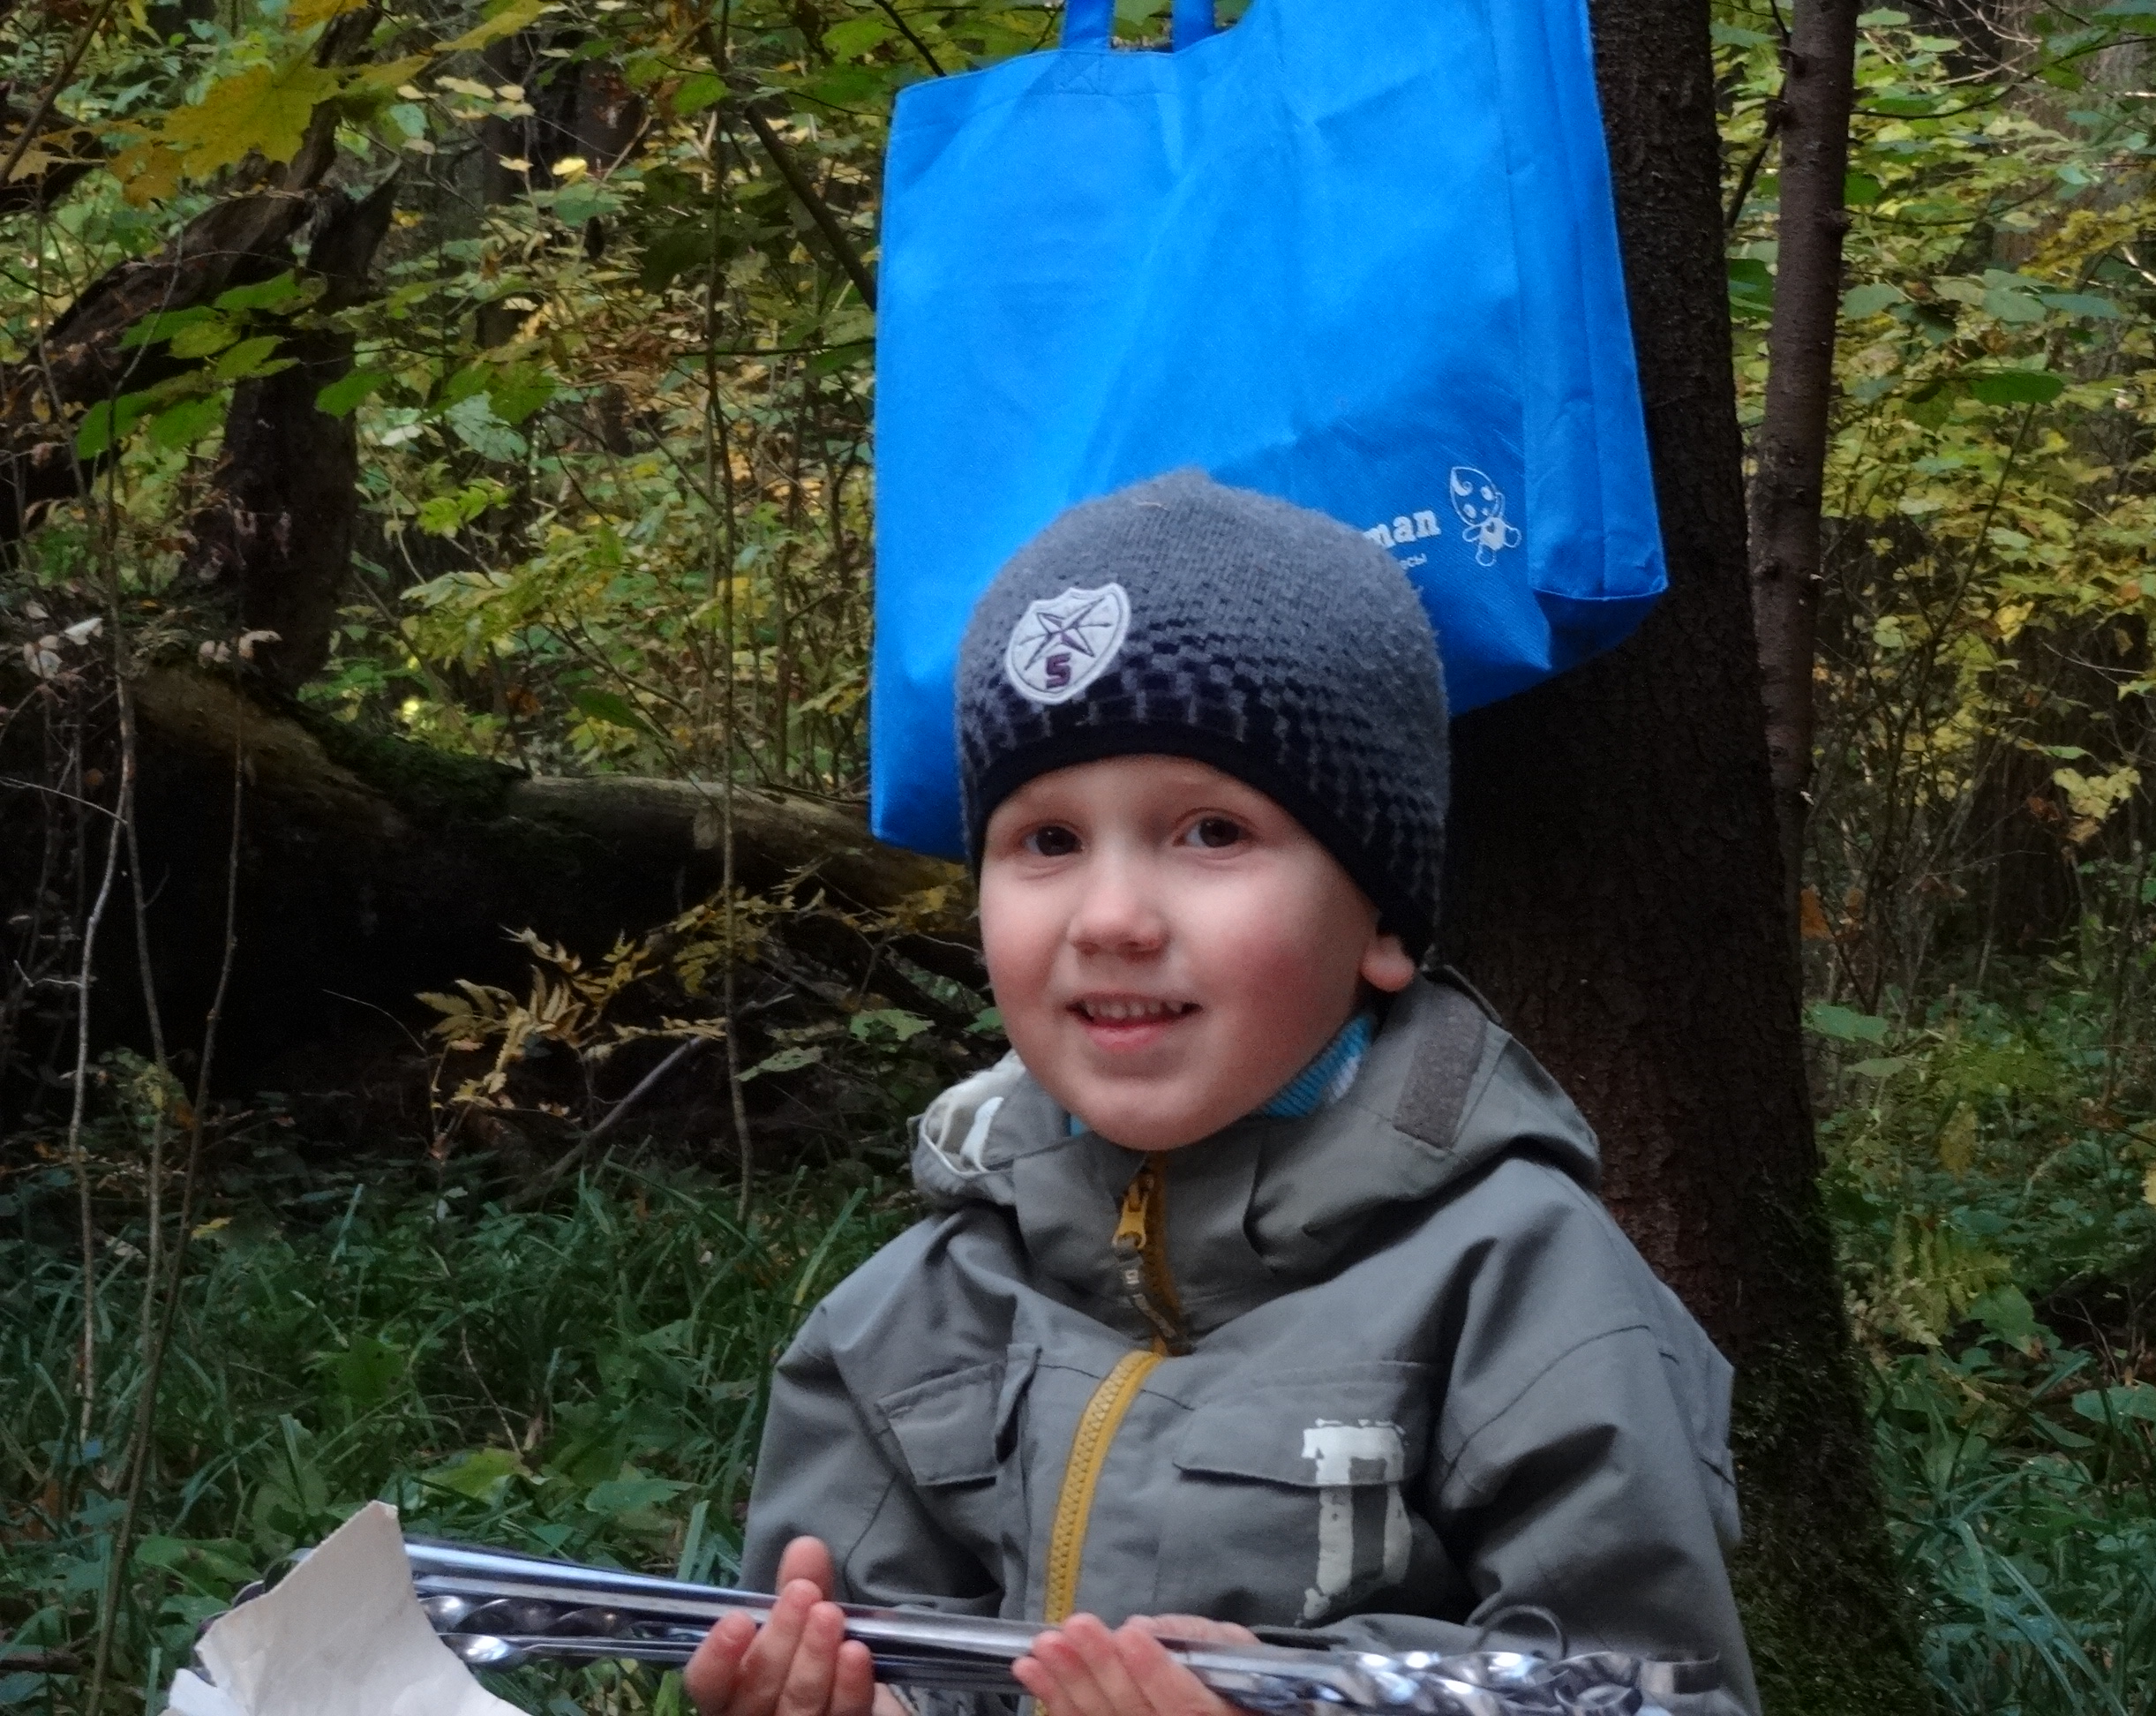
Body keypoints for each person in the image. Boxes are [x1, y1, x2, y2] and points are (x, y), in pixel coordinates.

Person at [687, 471, 1759, 1716]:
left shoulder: (1523, 1288)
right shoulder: (904, 1317)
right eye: (1047, 842)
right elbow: (898, 1657)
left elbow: (1654, 1694)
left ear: (1381, 921)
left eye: (1212, 833)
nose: (1112, 918)